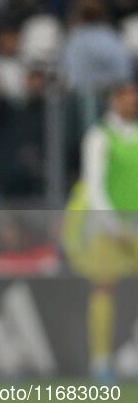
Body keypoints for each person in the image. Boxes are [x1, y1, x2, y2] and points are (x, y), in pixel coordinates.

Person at [63, 82, 138, 380]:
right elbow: (94, 184)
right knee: (105, 288)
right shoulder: (99, 137)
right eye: (127, 96)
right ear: (113, 100)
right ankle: (101, 360)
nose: (132, 101)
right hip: (109, 226)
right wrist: (111, 223)